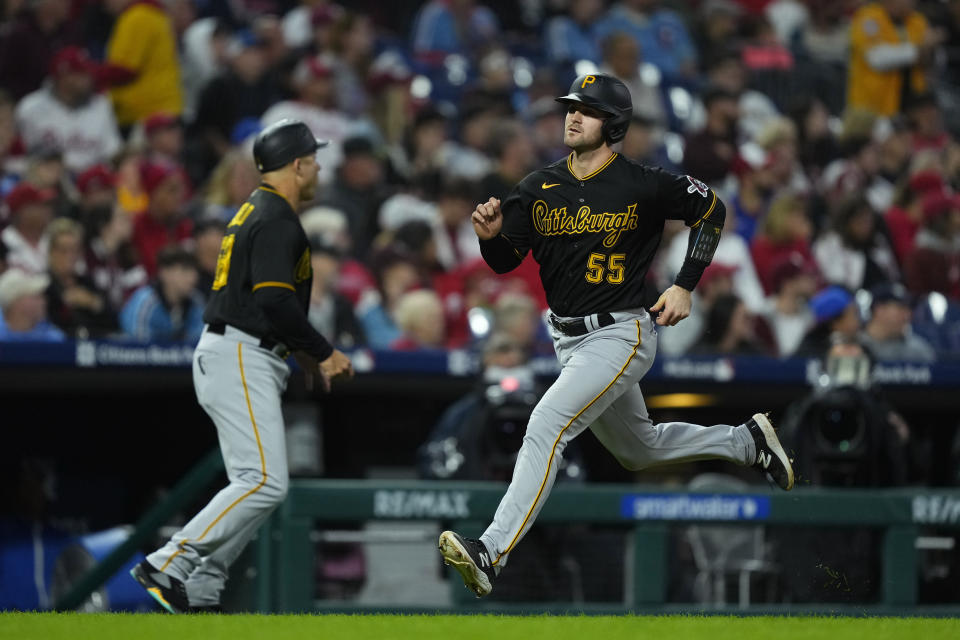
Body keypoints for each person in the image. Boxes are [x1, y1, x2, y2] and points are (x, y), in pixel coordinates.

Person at [437, 73, 795, 598]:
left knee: (546, 425)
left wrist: (685, 285)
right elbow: (505, 260)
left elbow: (712, 208)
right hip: (568, 339)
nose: (572, 116)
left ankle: (491, 551)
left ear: (615, 124)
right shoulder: (539, 187)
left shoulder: (642, 183)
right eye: (570, 108)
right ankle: (746, 441)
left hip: (620, 331)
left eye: (587, 110)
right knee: (639, 451)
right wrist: (490, 239)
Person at [129, 119, 354, 613]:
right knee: (264, 482)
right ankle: (172, 560)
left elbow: (267, 301)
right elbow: (273, 300)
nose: (318, 168)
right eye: (313, 160)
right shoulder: (275, 215)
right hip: (239, 354)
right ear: (297, 165)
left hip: (242, 352)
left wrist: (298, 352)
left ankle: (204, 583)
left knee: (258, 483)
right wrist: (321, 350)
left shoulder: (261, 209)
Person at [119, 246, 205, 342]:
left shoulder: (196, 301)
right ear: (164, 272)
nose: (193, 277)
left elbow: (199, 342)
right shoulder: (145, 303)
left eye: (195, 271)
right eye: (185, 270)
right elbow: (137, 348)